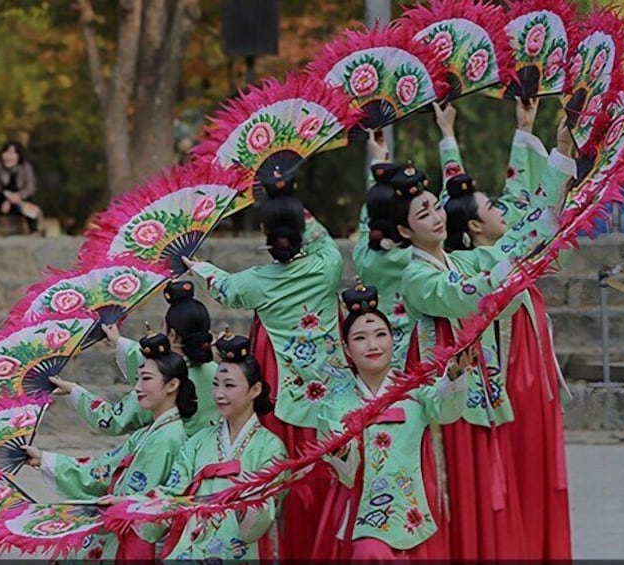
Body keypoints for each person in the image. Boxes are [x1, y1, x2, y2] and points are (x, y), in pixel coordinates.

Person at [395, 111, 576, 560]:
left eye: (437, 208)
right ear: (403, 231)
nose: (436, 216)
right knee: (459, 500)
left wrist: (563, 155)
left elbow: (522, 237)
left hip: (477, 400)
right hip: (444, 406)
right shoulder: (418, 276)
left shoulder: (460, 261)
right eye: (424, 213)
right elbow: (464, 297)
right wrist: (505, 263)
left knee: (486, 502)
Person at [182, 169, 344, 558]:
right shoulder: (328, 267)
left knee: (275, 481)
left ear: (266, 235)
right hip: (329, 397)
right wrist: (286, 194)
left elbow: (224, 287)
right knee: (329, 476)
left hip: (279, 393)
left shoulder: (256, 281)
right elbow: (320, 238)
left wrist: (195, 264)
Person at [314, 282, 470, 560]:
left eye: (380, 335)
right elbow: (347, 472)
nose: (372, 345)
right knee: (368, 553)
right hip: (360, 506)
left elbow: (445, 409)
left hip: (411, 504)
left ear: (392, 340)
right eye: (360, 338)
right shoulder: (334, 403)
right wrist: (340, 451)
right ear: (347, 350)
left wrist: (455, 375)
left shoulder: (414, 391)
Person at [22, 331, 196, 560]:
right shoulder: (151, 432)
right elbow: (104, 468)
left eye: (146, 379)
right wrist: (43, 459)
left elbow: (152, 499)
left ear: (172, 384)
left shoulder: (168, 438)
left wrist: (125, 503)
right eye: (138, 379)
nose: (137, 388)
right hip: (119, 522)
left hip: (132, 534)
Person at [133, 333, 286, 560]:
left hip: (239, 553)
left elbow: (267, 511)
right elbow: (173, 493)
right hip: (191, 549)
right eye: (215, 384)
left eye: (230, 385)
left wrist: (249, 507)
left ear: (255, 390)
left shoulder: (271, 447)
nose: (219, 394)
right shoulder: (198, 441)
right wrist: (133, 504)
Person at [49, 280, 219, 438]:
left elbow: (114, 421)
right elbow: (154, 363)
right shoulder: (218, 372)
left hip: (171, 459)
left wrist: (74, 391)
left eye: (163, 328)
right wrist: (118, 341)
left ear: (172, 335)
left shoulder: (164, 380)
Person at [353, 135, 414, 368]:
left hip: (379, 348)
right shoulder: (419, 257)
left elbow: (366, 218)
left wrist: (376, 163)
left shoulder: (365, 256)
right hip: (419, 346)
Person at [0, 141, 41, 233]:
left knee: (31, 204)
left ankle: (34, 231)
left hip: (20, 199)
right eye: (6, 152)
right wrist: (6, 198)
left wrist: (18, 196)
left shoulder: (26, 167)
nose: (9, 156)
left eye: (12, 153)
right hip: (1, 199)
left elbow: (30, 187)